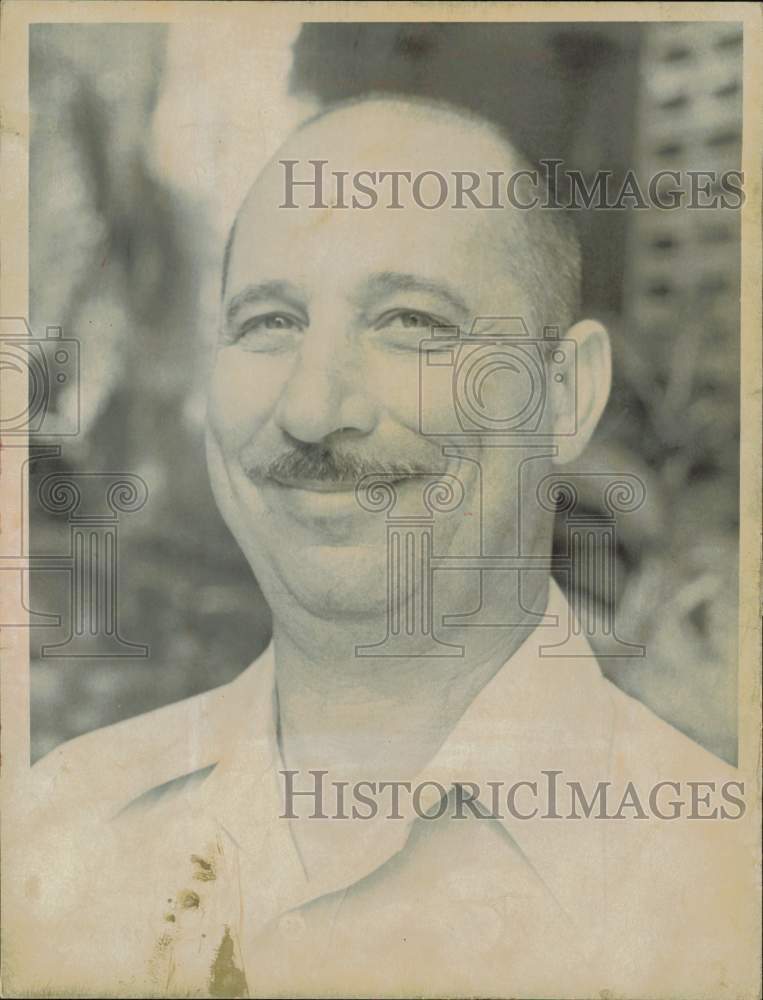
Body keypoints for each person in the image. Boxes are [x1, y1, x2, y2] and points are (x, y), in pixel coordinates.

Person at [8, 97, 751, 999]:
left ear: (564, 396)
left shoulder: (721, 887)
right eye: (269, 323)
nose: (315, 410)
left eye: (411, 320)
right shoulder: (66, 828)